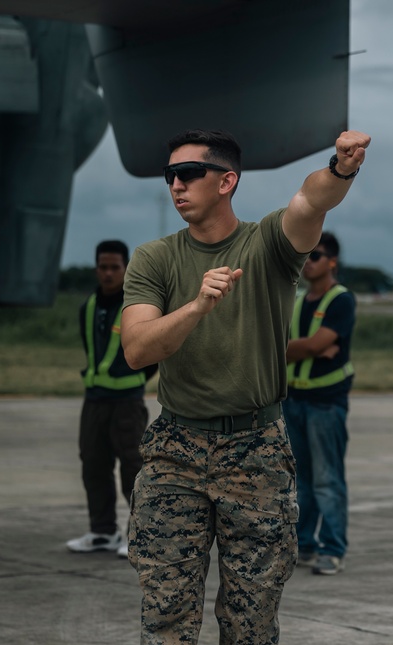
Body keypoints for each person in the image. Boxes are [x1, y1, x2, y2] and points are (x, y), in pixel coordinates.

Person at [120, 129, 370, 644]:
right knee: (165, 614)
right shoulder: (154, 259)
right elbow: (138, 350)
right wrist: (195, 307)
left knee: (251, 620)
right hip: (175, 450)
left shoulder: (269, 245)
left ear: (227, 181)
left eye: (189, 174)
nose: (176, 185)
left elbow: (309, 201)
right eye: (170, 175)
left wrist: (341, 168)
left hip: (254, 450)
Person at [67, 240, 156, 558]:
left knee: (133, 468)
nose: (107, 273)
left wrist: (131, 382)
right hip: (94, 401)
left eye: (114, 267)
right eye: (102, 267)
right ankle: (102, 531)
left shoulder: (136, 306)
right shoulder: (88, 306)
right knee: (93, 465)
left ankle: (138, 535)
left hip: (127, 403)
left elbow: (152, 353)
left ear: (126, 268)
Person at [284, 232, 356, 576]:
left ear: (332, 262)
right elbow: (307, 345)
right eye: (306, 255)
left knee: (327, 479)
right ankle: (305, 544)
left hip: (326, 403)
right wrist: (308, 346)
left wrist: (292, 350)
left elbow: (315, 346)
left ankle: (332, 547)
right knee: (302, 480)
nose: (309, 261)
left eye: (317, 255)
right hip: (295, 399)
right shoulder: (297, 300)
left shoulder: (341, 300)